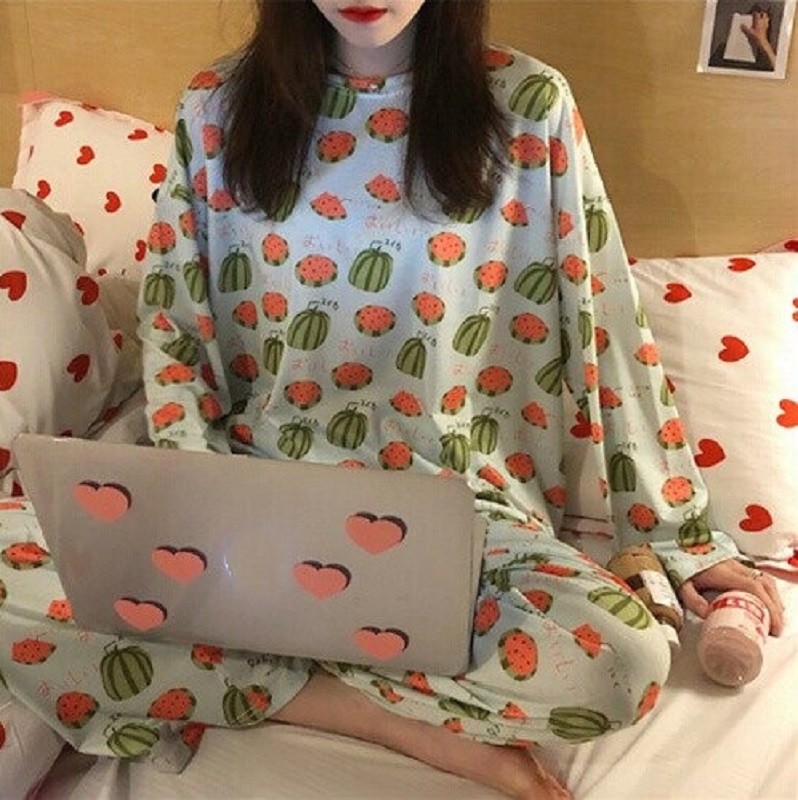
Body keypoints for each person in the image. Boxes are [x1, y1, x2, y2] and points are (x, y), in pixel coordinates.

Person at [0, 2, 785, 798]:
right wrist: (194, 517)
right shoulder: (216, 110)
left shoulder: (528, 107)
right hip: (257, 494)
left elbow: (604, 319)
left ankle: (222, 676)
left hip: (460, 515)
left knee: (624, 659)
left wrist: (677, 528)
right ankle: (371, 716)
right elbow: (175, 332)